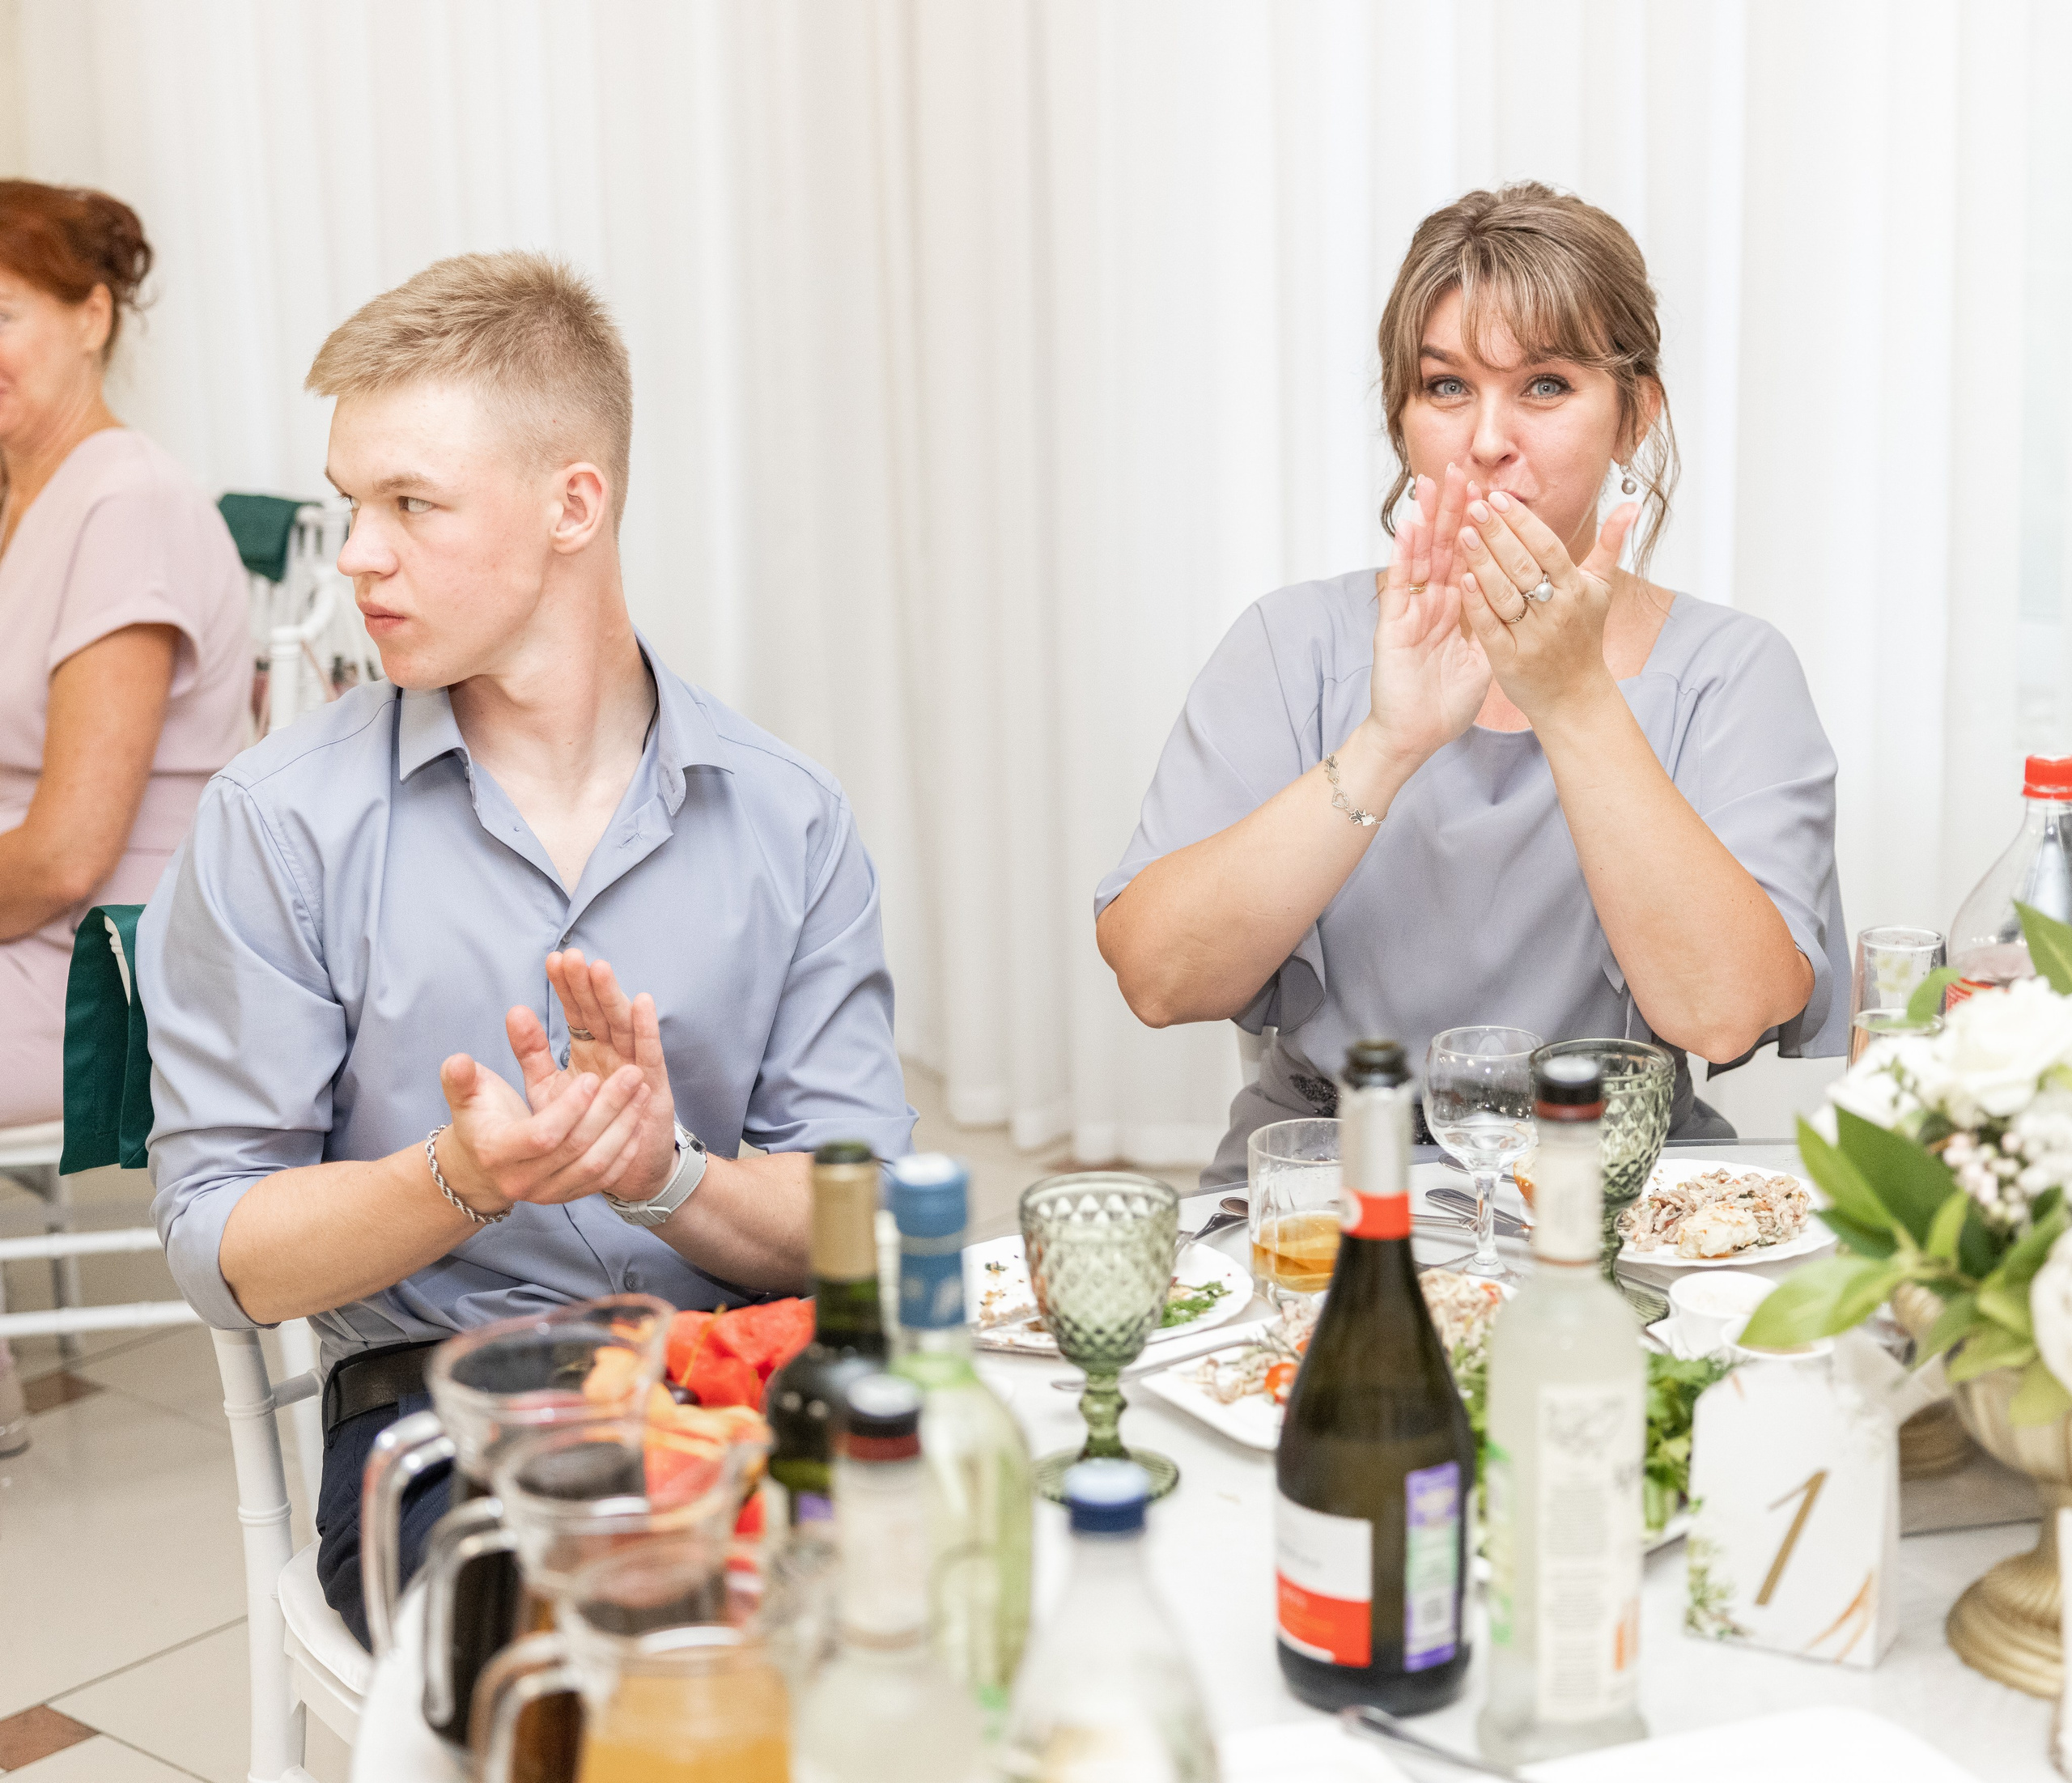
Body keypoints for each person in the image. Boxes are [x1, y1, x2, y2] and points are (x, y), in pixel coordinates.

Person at [140, 252, 915, 1645]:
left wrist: (666, 1175)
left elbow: (850, 1230)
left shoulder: (787, 816)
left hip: (749, 1383)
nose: (356, 554)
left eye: (409, 504)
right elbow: (223, 1248)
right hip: (449, 1425)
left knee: (990, 1574)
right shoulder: (278, 821)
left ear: (576, 502)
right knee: (661, 1638)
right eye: (348, 504)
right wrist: (463, 1176)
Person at [1095, 183, 1848, 1186]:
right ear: (1402, 418)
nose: (1487, 439)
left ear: (1635, 417)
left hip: (1618, 1177)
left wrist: (1573, 696)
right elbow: (1157, 976)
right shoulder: (1293, 642)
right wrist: (1389, 739)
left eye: (1544, 385)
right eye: (1445, 387)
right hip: (1328, 1180)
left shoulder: (1732, 670)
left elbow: (1722, 1008)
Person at [0, 182, 248, 1458]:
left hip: (102, 963)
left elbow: (65, 852)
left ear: (92, 315)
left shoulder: (122, 503)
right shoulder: (26, 497)